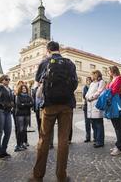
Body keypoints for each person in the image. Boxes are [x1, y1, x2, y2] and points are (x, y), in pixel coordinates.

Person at [31, 41, 78, 182]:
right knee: (63, 140)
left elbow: (38, 82)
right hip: (67, 105)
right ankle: (61, 176)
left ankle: (38, 176)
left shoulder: (45, 62)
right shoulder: (69, 63)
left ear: (48, 50)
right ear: (59, 49)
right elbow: (75, 83)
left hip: (49, 105)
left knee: (44, 139)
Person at [0, 75, 14, 158]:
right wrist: (3, 104)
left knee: (8, 131)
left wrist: (12, 103)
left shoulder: (9, 89)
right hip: (0, 111)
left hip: (8, 112)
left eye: (9, 79)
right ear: (1, 80)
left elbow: (11, 99)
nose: (8, 81)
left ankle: (4, 150)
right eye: (6, 79)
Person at [107, 66, 121, 156]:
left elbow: (113, 91)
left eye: (108, 70)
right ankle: (120, 144)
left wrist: (107, 93)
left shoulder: (118, 78)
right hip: (112, 102)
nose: (108, 72)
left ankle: (119, 147)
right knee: (117, 126)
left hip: (116, 103)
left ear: (113, 71)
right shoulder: (112, 79)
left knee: (118, 126)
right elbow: (107, 89)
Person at [85, 70, 106, 148]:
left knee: (99, 124)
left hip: (96, 105)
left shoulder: (101, 82)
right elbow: (87, 93)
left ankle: (100, 141)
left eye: (92, 75)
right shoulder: (92, 84)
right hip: (90, 105)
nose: (91, 76)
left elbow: (99, 92)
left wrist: (91, 97)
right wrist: (87, 97)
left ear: (96, 75)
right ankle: (97, 139)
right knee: (94, 124)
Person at [15, 84, 33, 152]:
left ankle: (22, 143)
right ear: (20, 89)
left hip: (27, 114)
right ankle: (18, 145)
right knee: (20, 130)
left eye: (25, 88)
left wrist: (24, 104)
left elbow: (32, 104)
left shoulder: (29, 96)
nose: (24, 89)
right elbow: (19, 105)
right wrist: (27, 104)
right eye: (22, 88)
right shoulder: (18, 96)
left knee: (24, 130)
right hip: (20, 114)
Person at [82, 77, 93, 143]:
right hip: (86, 106)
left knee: (94, 122)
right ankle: (88, 137)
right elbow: (84, 96)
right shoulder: (85, 87)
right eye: (87, 80)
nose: (88, 81)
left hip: (93, 106)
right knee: (87, 123)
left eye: (89, 80)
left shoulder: (93, 86)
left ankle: (95, 137)